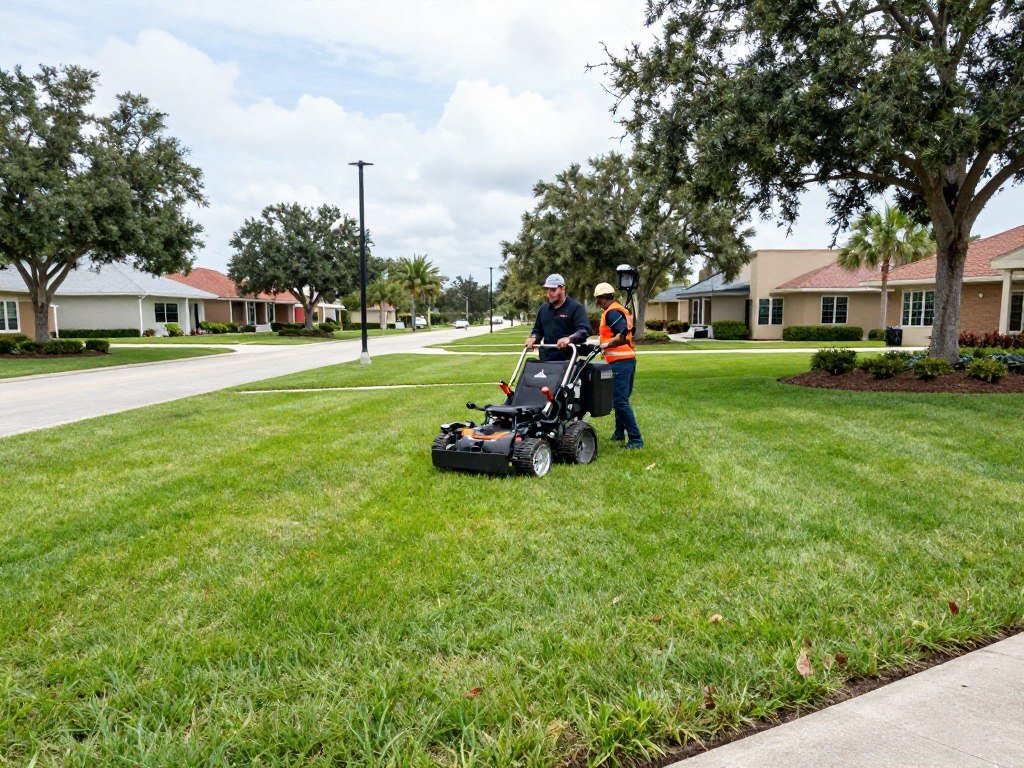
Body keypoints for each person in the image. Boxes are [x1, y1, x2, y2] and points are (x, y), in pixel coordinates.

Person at [593, 281, 643, 449]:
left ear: (603, 298)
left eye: (598, 299)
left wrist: (605, 345)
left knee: (620, 401)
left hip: (620, 362)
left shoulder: (612, 312)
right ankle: (619, 433)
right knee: (620, 399)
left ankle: (636, 440)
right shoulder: (617, 309)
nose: (597, 303)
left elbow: (621, 335)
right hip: (627, 360)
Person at [523, 274, 591, 361]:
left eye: (553, 290)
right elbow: (537, 330)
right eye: (548, 290)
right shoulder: (543, 309)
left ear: (563, 288)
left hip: (567, 360)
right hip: (546, 359)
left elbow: (584, 331)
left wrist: (569, 339)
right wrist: (533, 338)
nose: (549, 294)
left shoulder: (576, 308)